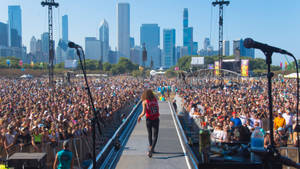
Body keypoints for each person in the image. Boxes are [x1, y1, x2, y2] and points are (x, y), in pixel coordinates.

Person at [138, 89, 160, 158]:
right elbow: (156, 96)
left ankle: (151, 147)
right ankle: (151, 150)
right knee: (155, 135)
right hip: (156, 118)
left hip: (149, 119)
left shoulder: (144, 102)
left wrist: (139, 117)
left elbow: (143, 113)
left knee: (149, 134)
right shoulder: (155, 99)